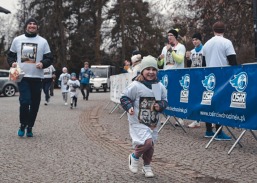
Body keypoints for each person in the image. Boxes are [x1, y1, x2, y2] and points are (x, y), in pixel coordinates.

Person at [120, 55, 168, 178]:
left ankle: (147, 166)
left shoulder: (158, 86)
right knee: (146, 143)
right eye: (148, 69)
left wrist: (160, 106)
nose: (151, 72)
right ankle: (134, 156)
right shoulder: (136, 85)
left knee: (150, 145)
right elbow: (124, 97)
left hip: (153, 121)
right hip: (138, 120)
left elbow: (163, 100)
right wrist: (129, 106)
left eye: (154, 69)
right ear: (142, 70)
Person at [7, 17, 53, 137]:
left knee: (35, 103)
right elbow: (10, 56)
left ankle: (30, 126)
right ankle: (23, 124)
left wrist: (43, 63)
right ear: (26, 26)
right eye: (29, 24)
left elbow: (49, 58)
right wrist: (12, 63)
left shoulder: (43, 41)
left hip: (37, 77)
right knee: (25, 101)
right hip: (21, 76)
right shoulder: (17, 40)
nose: (32, 25)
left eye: (34, 24)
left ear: (37, 27)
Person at [202, 21, 237, 140]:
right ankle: (219, 132)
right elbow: (233, 62)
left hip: (209, 77)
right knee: (220, 104)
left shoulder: (206, 44)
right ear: (224, 30)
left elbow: (203, 63)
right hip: (223, 77)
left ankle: (208, 131)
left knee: (209, 102)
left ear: (213, 30)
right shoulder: (227, 42)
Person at [160, 28, 186, 126]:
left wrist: (171, 50)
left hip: (177, 74)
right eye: (168, 35)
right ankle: (164, 115)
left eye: (171, 35)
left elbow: (179, 60)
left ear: (175, 36)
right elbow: (161, 63)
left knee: (177, 96)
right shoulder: (165, 48)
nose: (169, 37)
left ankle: (179, 118)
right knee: (164, 95)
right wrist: (159, 59)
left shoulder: (181, 47)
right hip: (167, 75)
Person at [186, 33, 206, 128]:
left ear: (200, 40)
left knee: (206, 99)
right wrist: (187, 58)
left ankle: (213, 121)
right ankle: (196, 120)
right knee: (196, 99)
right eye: (193, 40)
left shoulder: (205, 49)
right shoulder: (192, 51)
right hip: (195, 78)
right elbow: (190, 66)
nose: (195, 41)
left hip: (204, 77)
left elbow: (206, 63)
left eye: (196, 39)